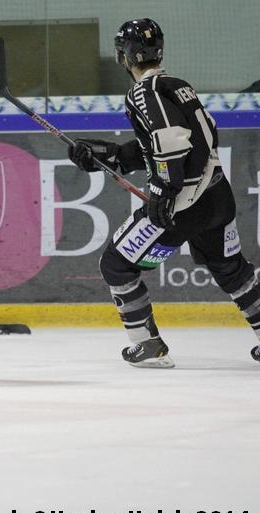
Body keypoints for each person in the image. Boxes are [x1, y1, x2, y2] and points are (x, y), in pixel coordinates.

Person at [68, 18, 260, 368]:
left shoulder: (143, 92)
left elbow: (171, 143)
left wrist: (163, 192)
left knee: (116, 264)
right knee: (231, 268)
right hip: (216, 195)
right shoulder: (178, 85)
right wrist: (113, 155)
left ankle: (147, 344)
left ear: (126, 55)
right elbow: (195, 137)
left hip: (184, 203)